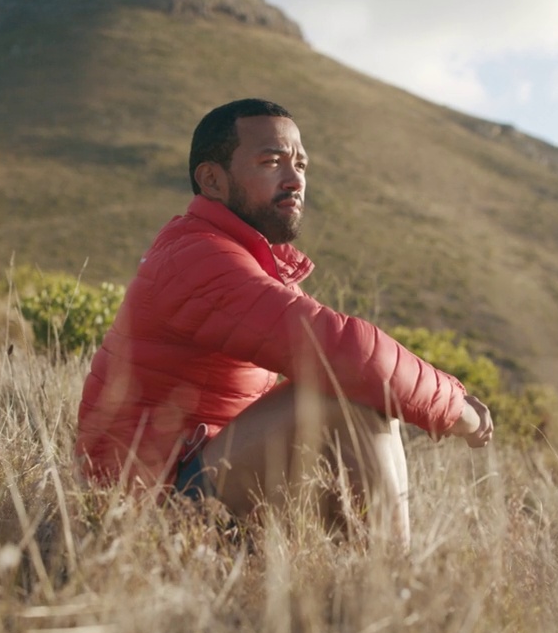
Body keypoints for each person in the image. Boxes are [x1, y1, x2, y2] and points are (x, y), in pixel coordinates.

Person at [75, 98, 492, 546]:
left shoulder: (242, 258)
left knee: (352, 397)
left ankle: (359, 585)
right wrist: (457, 409)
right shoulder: (198, 259)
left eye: (301, 165)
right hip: (141, 506)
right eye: (271, 162)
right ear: (212, 180)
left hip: (189, 476)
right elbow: (345, 352)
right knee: (345, 401)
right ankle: (392, 588)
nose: (295, 180)